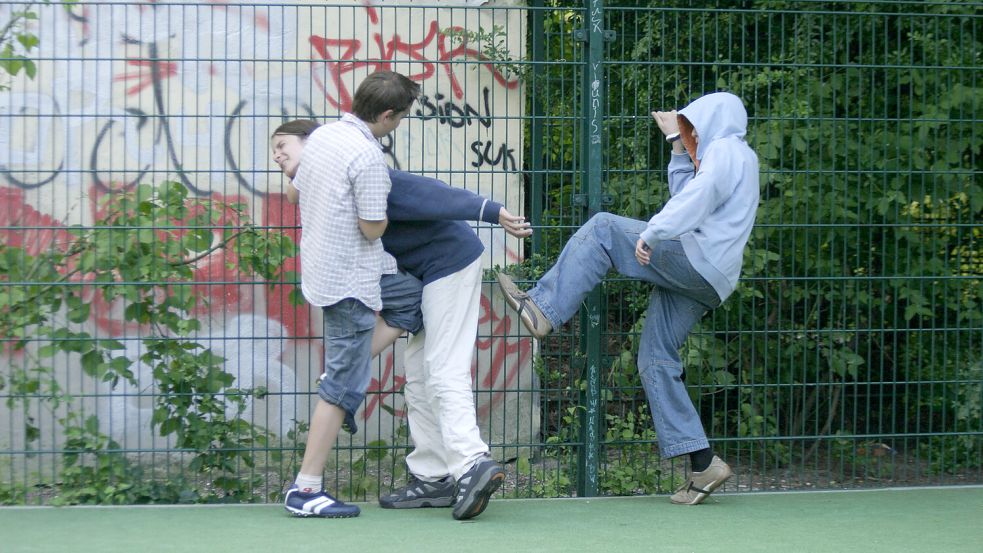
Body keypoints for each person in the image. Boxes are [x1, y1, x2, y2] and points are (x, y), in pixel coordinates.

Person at [497, 91, 759, 505]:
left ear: (711, 120)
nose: (690, 134)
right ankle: (703, 462)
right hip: (711, 278)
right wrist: (676, 143)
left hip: (696, 258)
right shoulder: (735, 156)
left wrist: (652, 233)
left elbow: (697, 197)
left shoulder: (726, 149)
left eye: (692, 127)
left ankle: (543, 308)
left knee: (603, 229)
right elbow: (687, 195)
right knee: (655, 359)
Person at [274, 119, 531, 520]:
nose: (277, 153)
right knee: (417, 373)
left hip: (450, 264)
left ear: (319, 147)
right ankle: (434, 476)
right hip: (422, 276)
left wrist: (492, 210)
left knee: (443, 366)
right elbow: (295, 189)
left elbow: (434, 194)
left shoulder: (370, 177)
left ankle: (471, 461)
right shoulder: (325, 189)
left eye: (283, 144)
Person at [272, 70, 420, 518]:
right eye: (401, 118)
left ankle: (343, 374)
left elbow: (297, 187)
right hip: (351, 279)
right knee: (342, 386)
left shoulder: (323, 137)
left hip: (330, 268)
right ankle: (305, 489)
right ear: (388, 115)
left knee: (410, 300)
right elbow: (372, 227)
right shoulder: (368, 157)